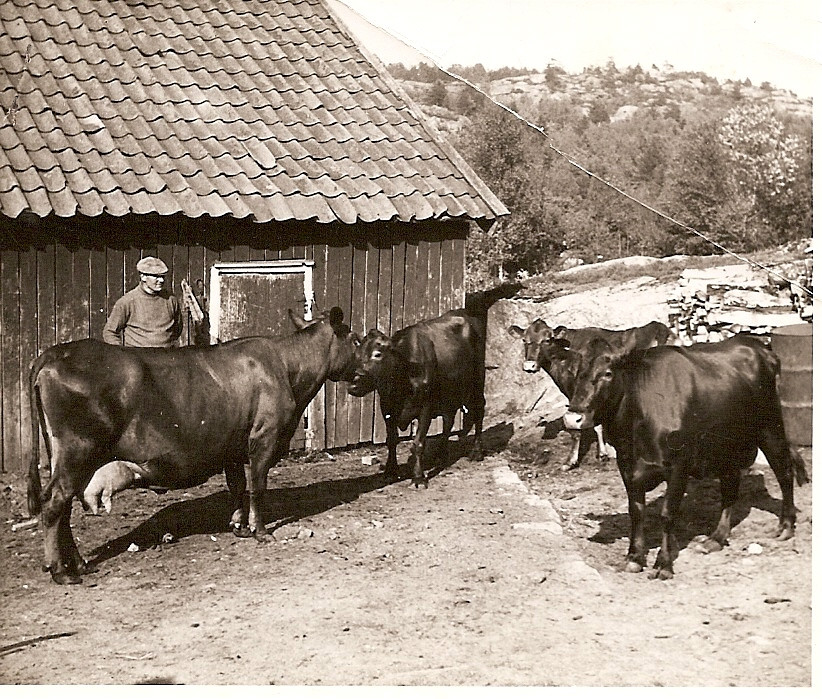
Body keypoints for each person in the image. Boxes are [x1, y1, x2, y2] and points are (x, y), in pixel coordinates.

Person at [102, 256, 182, 348]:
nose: (161, 280)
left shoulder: (171, 300)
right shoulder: (127, 301)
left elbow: (177, 328)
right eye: (156, 276)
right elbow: (110, 332)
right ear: (143, 277)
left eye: (163, 276)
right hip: (138, 358)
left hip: (166, 357)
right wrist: (123, 354)